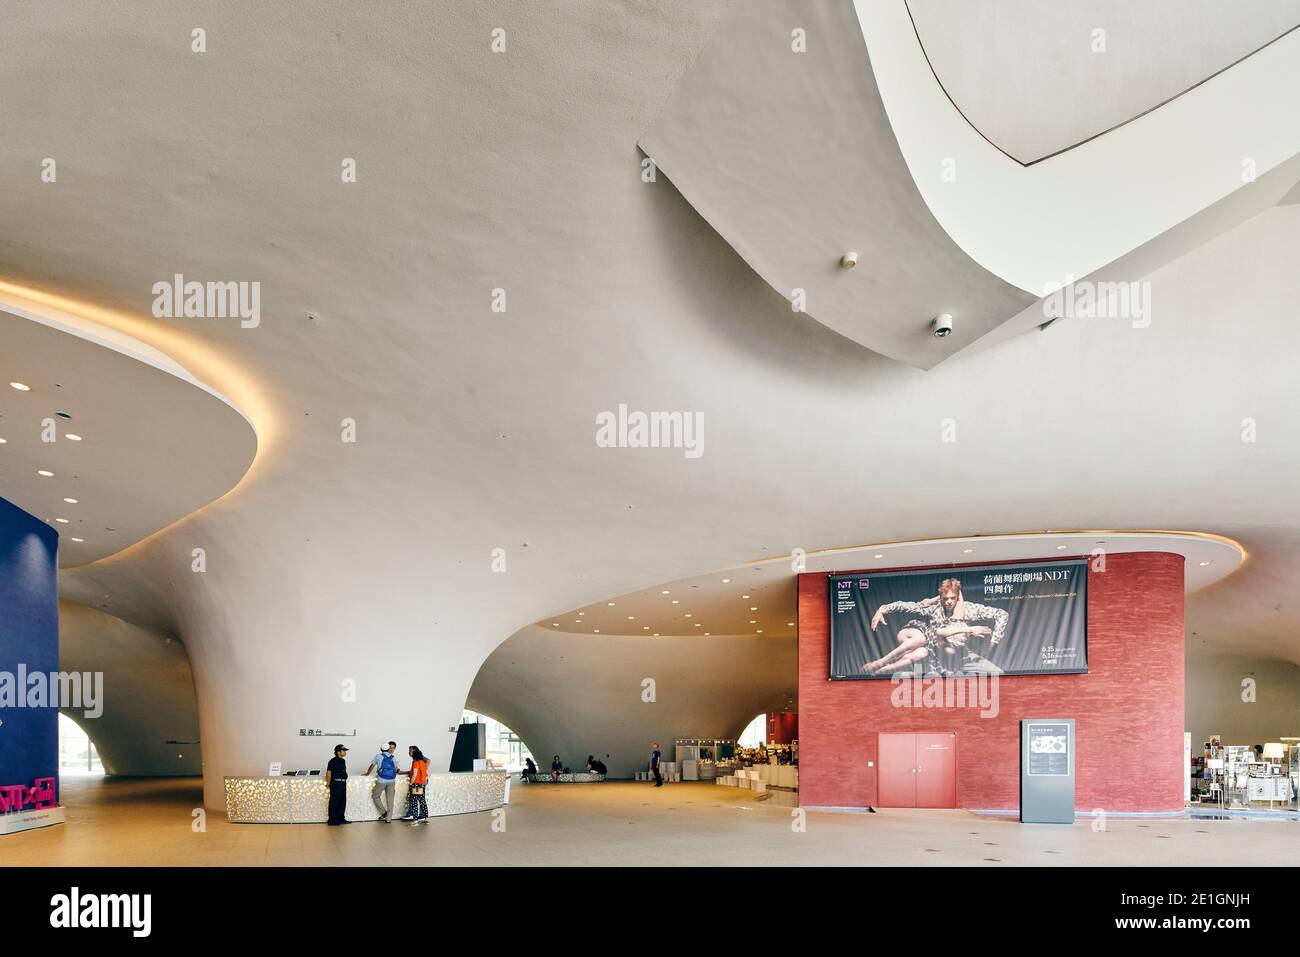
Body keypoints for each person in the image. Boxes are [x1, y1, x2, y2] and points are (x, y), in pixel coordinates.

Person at [862, 579, 1008, 677]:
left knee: (997, 673)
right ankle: (881, 665)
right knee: (920, 652)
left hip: (959, 654)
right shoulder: (935, 608)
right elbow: (907, 606)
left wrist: (994, 642)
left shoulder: (969, 609)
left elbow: (1002, 614)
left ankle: (883, 667)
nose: (949, 602)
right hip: (934, 650)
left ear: (958, 597)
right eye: (945, 599)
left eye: (953, 598)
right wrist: (883, 609)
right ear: (940, 598)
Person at [366, 740, 400, 822]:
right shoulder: (393, 757)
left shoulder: (378, 756)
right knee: (390, 800)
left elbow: (372, 765)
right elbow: (397, 769)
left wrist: (367, 773)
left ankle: (383, 813)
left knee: (375, 796)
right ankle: (388, 819)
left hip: (381, 780)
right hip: (391, 780)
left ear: (381, 749)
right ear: (388, 749)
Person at [403, 745, 430, 826]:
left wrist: (411, 783)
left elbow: (414, 774)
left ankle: (415, 821)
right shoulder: (423, 763)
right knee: (422, 801)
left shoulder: (416, 763)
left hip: (415, 785)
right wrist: (423, 781)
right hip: (422, 785)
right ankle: (426, 818)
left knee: (414, 802)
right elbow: (428, 774)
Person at [324, 744, 351, 825]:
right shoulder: (333, 761)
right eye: (343, 751)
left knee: (342, 801)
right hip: (336, 783)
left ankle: (340, 818)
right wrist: (328, 782)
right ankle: (332, 820)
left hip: (342, 783)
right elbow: (329, 772)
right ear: (338, 752)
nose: (345, 752)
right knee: (334, 801)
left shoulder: (343, 761)